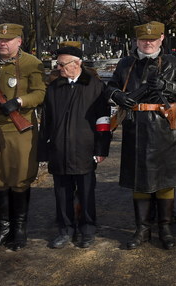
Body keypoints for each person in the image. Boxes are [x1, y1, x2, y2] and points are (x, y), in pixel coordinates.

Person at [107, 21, 176, 250]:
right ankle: (142, 229)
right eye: (144, 40)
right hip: (136, 126)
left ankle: (164, 227)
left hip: (164, 127)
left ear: (162, 39)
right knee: (139, 179)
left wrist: (167, 85)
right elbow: (110, 85)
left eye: (153, 39)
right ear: (136, 41)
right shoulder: (127, 63)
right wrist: (117, 95)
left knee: (166, 180)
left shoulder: (174, 62)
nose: (148, 43)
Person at [0, 23, 46, 251]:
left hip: (19, 128)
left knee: (19, 177)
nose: (2, 43)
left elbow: (40, 93)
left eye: (7, 40)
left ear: (19, 41)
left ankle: (19, 229)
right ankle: (3, 228)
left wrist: (19, 102)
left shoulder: (30, 63)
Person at [38, 45, 111, 249]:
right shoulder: (54, 88)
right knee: (62, 193)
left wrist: (101, 148)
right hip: (59, 150)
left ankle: (87, 229)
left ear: (77, 63)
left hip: (85, 149)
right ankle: (65, 229)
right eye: (57, 64)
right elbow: (47, 121)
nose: (59, 68)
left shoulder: (95, 87)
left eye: (62, 64)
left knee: (87, 192)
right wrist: (44, 149)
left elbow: (103, 121)